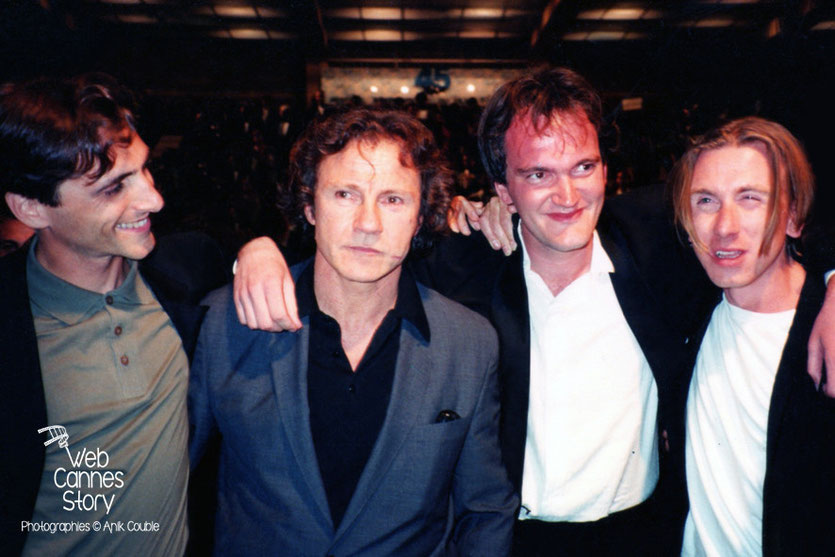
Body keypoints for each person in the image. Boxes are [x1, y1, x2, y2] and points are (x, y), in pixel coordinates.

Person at [234, 67, 835, 555]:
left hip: (642, 538)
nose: (569, 196)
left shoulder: (658, 245)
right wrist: (262, 252)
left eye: (584, 168)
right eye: (538, 175)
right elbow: (360, 248)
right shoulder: (464, 265)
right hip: (510, 541)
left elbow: (773, 217)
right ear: (503, 192)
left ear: (606, 167)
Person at [189, 107, 517, 556]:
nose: (368, 223)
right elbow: (162, 488)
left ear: (421, 217)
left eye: (393, 200)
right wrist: (248, 248)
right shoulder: (226, 321)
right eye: (345, 194)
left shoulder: (469, 344)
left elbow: (484, 509)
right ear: (309, 206)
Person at [0, 74, 228, 555]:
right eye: (112, 188)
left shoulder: (186, 273)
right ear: (32, 207)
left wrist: (259, 254)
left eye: (144, 170)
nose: (153, 199)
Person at [670, 117, 835, 556]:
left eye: (750, 199)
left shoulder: (825, 330)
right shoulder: (684, 310)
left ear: (793, 217)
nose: (724, 226)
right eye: (706, 201)